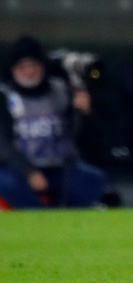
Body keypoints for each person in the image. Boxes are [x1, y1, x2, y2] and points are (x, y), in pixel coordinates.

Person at [0, 36, 109, 209]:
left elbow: (80, 134)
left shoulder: (60, 89)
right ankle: (36, 215)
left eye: (33, 65)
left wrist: (83, 112)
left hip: (59, 166)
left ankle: (68, 214)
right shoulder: (5, 95)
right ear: (13, 69)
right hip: (19, 168)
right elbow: (3, 144)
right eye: (22, 66)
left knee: (92, 179)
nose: (29, 71)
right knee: (6, 182)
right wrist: (29, 171)